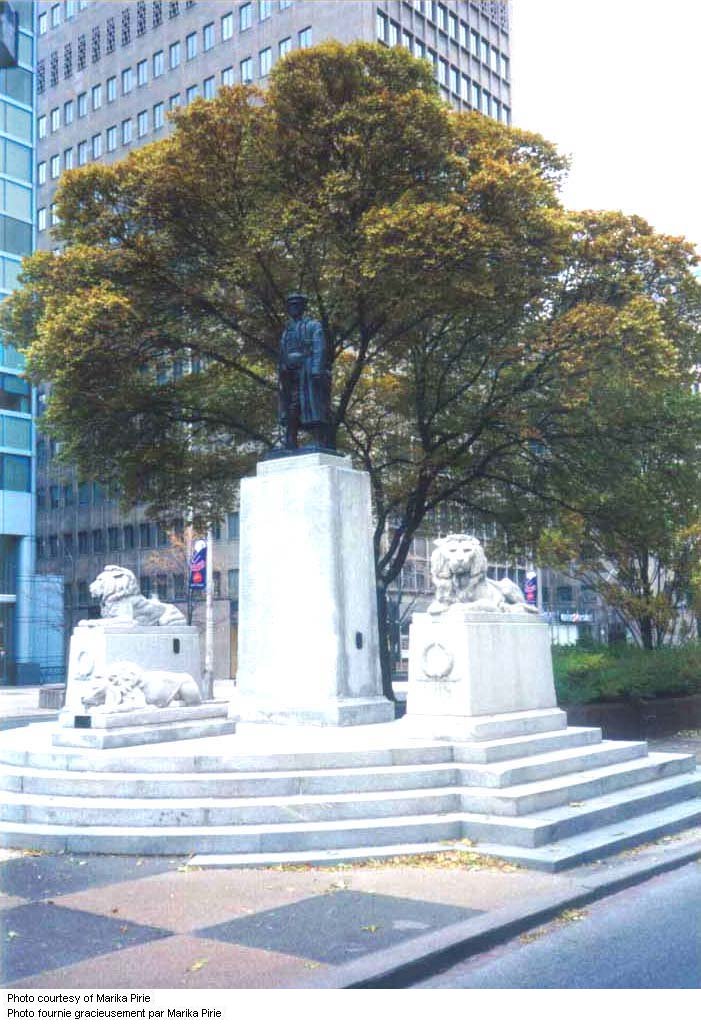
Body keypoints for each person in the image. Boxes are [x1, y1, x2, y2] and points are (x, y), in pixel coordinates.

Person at [278, 292, 332, 450]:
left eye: (296, 305)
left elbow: (319, 347)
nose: (293, 308)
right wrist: (282, 370)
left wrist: (316, 369)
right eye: (290, 305)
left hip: (307, 371)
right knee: (291, 406)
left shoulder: (313, 325)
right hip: (289, 374)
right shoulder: (286, 331)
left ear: (302, 307)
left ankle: (318, 439)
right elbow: (282, 353)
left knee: (313, 405)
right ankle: (290, 439)